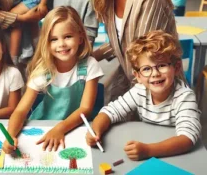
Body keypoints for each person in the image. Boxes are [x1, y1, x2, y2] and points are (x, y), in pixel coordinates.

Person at [86, 30, 201, 160]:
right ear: (138, 76)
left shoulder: (185, 97)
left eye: (162, 65)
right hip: (149, 146)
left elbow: (187, 138)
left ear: (177, 67)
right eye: (146, 69)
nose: (155, 74)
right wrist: (96, 131)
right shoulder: (140, 91)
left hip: (174, 155)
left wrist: (148, 151)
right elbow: (110, 111)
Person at [3, 6, 104, 154]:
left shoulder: (90, 65)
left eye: (68, 36)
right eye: (54, 39)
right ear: (47, 43)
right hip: (44, 127)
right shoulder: (44, 71)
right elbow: (21, 110)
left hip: (75, 127)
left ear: (81, 37)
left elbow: (85, 109)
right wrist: (10, 135)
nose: (61, 44)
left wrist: (60, 129)